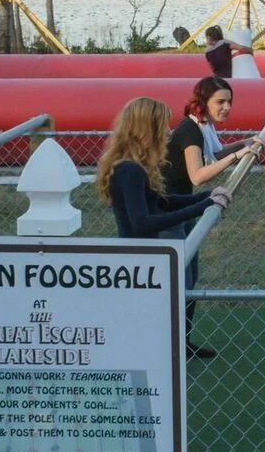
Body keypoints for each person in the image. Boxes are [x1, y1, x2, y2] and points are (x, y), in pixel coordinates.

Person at [96, 98, 233, 334]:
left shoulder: (137, 167)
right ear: (146, 129)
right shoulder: (130, 170)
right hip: (140, 260)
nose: (167, 133)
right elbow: (142, 223)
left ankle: (180, 346)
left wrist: (206, 197)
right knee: (151, 324)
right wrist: (201, 207)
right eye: (162, 126)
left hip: (147, 257)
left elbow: (163, 202)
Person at [160, 77, 264, 360]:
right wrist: (236, 156)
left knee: (190, 278)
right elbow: (198, 174)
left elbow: (215, 153)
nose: (227, 107)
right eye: (220, 102)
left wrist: (243, 143)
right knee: (179, 280)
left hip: (181, 207)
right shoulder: (190, 131)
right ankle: (169, 346)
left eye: (229, 101)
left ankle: (183, 342)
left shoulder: (202, 127)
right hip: (166, 212)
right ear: (203, 102)